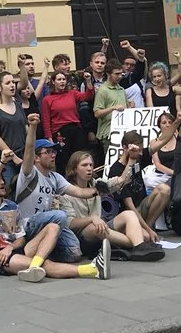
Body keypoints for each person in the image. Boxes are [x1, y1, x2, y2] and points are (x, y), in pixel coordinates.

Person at [13, 115, 110, 281]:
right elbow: (28, 149)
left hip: (48, 223)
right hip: (28, 223)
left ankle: (37, 256)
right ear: (37, 157)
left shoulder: (55, 177)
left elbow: (80, 192)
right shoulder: (28, 174)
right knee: (60, 216)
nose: (53, 155)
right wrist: (33, 127)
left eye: (54, 151)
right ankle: (37, 258)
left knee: (74, 252)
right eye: (48, 152)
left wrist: (98, 190)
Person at [57, 151, 164, 262]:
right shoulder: (66, 192)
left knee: (130, 216)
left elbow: (121, 181)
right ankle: (136, 245)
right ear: (74, 169)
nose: (89, 168)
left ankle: (137, 245)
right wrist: (92, 219)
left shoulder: (96, 184)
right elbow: (70, 223)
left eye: (91, 165)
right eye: (84, 165)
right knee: (96, 228)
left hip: (102, 227)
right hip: (82, 236)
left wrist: (131, 160)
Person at [109, 130, 170, 233]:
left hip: (142, 205)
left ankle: (149, 228)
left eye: (141, 150)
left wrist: (178, 121)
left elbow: (162, 141)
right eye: (137, 150)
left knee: (164, 189)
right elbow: (129, 205)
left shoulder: (138, 158)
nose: (140, 153)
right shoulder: (116, 170)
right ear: (125, 148)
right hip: (128, 212)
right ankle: (146, 231)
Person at [0, 70, 27, 186]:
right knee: (10, 188)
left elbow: (26, 130)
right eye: (8, 83)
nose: (12, 85)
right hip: (6, 159)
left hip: (23, 154)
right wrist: (13, 157)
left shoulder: (18, 106)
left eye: (13, 82)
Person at [93, 59, 129, 148]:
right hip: (108, 133)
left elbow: (126, 109)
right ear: (108, 74)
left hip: (124, 132)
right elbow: (97, 113)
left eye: (121, 73)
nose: (120, 76)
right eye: (116, 74)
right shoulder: (102, 90)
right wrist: (113, 108)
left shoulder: (121, 89)